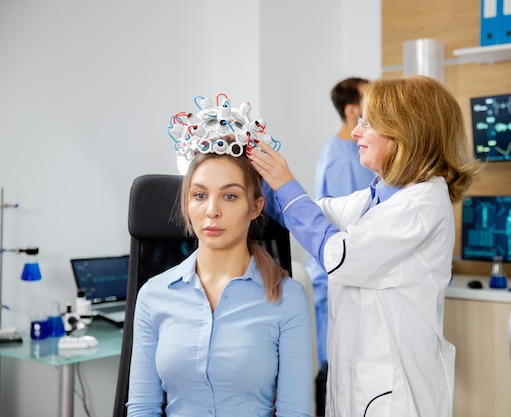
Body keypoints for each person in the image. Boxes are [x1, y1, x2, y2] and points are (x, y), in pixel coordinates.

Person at [249, 75, 480, 417]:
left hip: (394, 392)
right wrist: (254, 171)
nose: (355, 132)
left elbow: (337, 255)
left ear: (406, 132)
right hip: (362, 383)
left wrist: (286, 182)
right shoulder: (379, 197)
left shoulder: (420, 204)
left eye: (368, 123)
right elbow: (312, 213)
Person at [126, 147, 313, 416]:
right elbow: (142, 408)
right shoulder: (153, 295)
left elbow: (294, 412)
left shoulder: (288, 298)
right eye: (200, 195)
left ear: (255, 206)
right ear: (186, 204)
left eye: (230, 196)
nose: (212, 210)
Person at [308, 76, 375, 372]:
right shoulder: (343, 160)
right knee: (337, 369)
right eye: (368, 100)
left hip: (351, 273)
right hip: (339, 275)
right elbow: (352, 227)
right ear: (352, 112)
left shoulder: (353, 152)